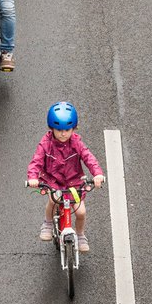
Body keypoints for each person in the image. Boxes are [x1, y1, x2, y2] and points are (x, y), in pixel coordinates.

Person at [27, 102, 106, 253]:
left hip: (74, 183)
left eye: (67, 130)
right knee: (53, 200)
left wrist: (97, 174)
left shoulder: (76, 142)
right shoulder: (46, 143)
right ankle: (48, 223)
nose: (63, 133)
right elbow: (36, 161)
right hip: (53, 181)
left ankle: (81, 234)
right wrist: (33, 177)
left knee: (81, 212)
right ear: (51, 128)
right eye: (59, 130)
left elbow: (88, 157)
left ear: (73, 128)